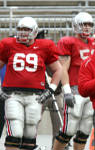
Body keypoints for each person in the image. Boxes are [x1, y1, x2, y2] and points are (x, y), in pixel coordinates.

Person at [0, 16, 62, 150]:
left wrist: (50, 90)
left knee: (30, 134)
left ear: (34, 31)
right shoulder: (9, 44)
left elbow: (58, 70)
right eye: (20, 29)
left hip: (35, 96)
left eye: (26, 29)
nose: (22, 32)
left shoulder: (45, 46)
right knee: (15, 131)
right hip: (13, 95)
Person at [52, 12, 95, 150]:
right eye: (84, 24)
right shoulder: (68, 42)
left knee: (85, 130)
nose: (87, 28)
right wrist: (66, 90)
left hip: (90, 91)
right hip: (74, 89)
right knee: (69, 129)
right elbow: (63, 68)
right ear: (76, 25)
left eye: (89, 25)